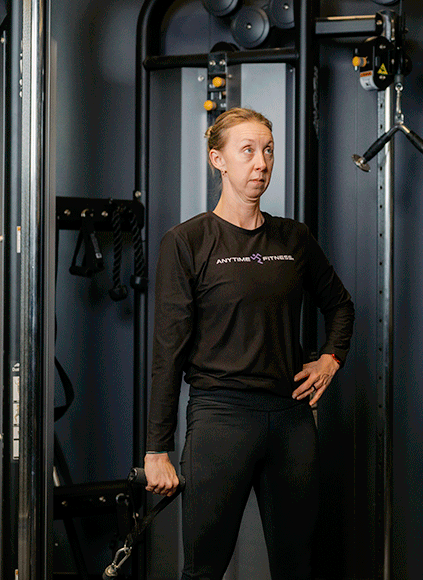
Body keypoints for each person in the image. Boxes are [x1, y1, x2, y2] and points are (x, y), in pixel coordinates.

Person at [144, 107, 354, 580]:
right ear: (218, 159)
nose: (261, 163)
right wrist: (157, 449)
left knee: (298, 569)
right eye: (248, 151)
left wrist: (330, 358)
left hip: (290, 420)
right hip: (221, 419)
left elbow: (341, 305)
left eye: (268, 151)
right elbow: (168, 352)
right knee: (203, 570)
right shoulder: (187, 242)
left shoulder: (294, 238)